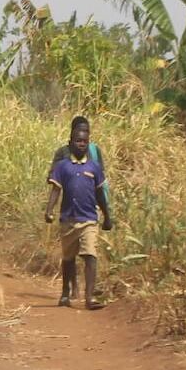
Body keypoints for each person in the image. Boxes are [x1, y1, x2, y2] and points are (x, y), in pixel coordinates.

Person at [44, 115, 113, 309]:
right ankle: (69, 290)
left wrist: (107, 213)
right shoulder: (62, 157)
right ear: (71, 138)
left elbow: (100, 185)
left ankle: (88, 296)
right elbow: (55, 185)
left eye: (86, 137)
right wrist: (49, 210)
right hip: (68, 216)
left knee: (90, 253)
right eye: (78, 137)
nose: (82, 143)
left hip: (89, 216)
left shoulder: (95, 156)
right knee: (69, 256)